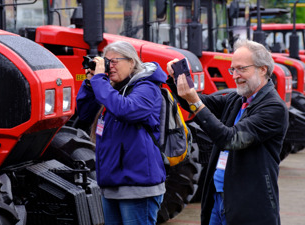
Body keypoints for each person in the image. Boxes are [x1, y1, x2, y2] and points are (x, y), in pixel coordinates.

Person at [166, 39, 288, 225]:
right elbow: (201, 102)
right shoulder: (238, 99)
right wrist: (177, 82)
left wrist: (195, 103)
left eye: (241, 69)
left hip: (248, 203)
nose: (235, 75)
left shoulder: (273, 108)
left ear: (263, 69)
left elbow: (230, 139)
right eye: (233, 69)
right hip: (219, 197)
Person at [76, 41, 167, 225]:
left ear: (132, 62)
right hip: (111, 184)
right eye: (106, 61)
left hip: (138, 186)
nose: (110, 66)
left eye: (114, 61)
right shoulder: (111, 89)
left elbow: (126, 110)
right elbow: (85, 115)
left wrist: (100, 82)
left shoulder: (147, 87)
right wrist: (89, 83)